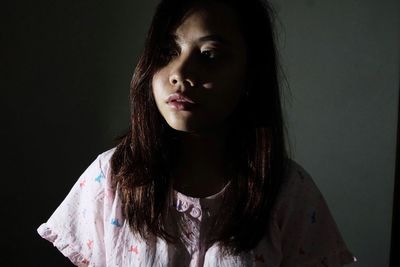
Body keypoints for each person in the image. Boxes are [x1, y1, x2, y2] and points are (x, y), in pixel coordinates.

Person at [37, 0, 357, 266]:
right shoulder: (110, 178)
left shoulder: (288, 191)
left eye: (210, 55)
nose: (181, 73)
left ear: (249, 76)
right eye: (167, 52)